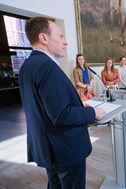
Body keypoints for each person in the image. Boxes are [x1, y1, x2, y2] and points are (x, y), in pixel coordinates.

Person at [18, 17, 105, 189]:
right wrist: (92, 113)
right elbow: (61, 115)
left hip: (48, 148)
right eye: (61, 36)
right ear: (44, 38)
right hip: (65, 148)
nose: (65, 42)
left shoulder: (27, 66)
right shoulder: (47, 67)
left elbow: (43, 109)